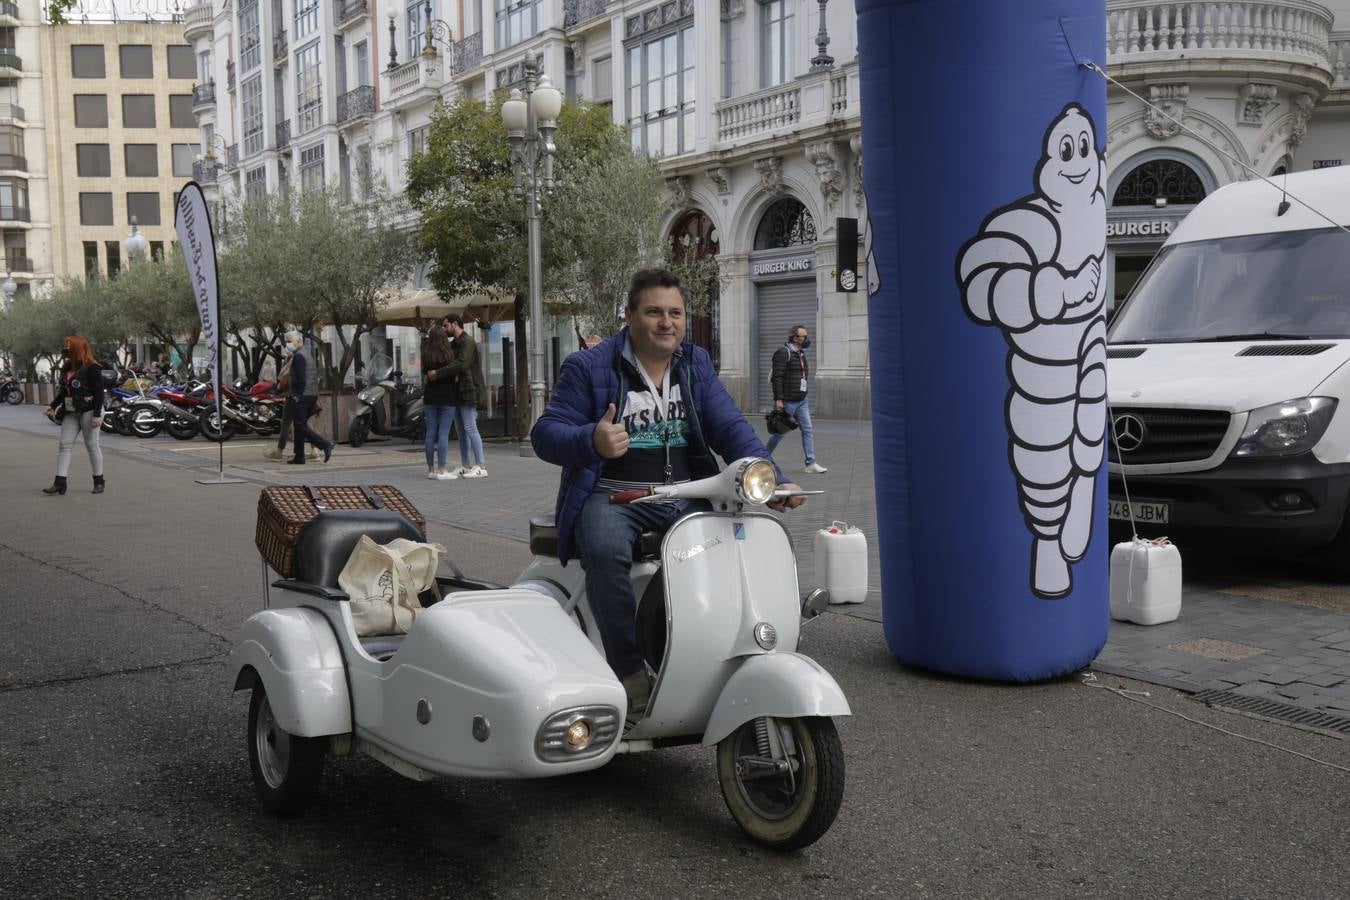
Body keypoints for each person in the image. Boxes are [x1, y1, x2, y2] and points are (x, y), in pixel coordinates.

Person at [531, 269, 805, 716]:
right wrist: (591, 440)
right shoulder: (589, 366)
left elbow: (731, 428)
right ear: (630, 315)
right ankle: (629, 671)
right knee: (602, 547)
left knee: (732, 541)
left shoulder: (693, 363)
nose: (667, 322)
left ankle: (704, 653)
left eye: (675, 313)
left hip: (685, 489)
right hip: (615, 494)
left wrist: (772, 474)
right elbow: (545, 433)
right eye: (654, 311)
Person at [42, 335, 106, 495]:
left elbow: (99, 393)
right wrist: (52, 406)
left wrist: (97, 414)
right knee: (64, 444)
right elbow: (63, 391)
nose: (65, 349)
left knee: (92, 445)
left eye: (68, 346)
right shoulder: (66, 368)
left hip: (90, 410)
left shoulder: (92, 367)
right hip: (71, 411)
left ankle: (99, 481)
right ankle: (60, 483)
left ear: (77, 348)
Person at [765, 325, 827, 474]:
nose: (806, 339)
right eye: (803, 336)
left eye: (806, 336)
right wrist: (779, 399)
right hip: (788, 401)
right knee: (779, 432)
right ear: (795, 338)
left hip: (802, 400)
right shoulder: (783, 353)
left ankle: (810, 463)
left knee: (807, 430)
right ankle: (762, 459)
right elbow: (777, 377)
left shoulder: (800, 353)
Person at [435, 314, 487, 479]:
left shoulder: (467, 342)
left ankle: (481, 466)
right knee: (461, 430)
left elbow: (462, 364)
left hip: (469, 390)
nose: (444, 329)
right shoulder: (455, 344)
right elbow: (451, 363)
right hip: (458, 391)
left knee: (470, 428)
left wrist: (438, 373)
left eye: (445, 326)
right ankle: (466, 464)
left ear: (455, 324)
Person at [284, 331, 333, 465]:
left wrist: (297, 396)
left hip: (303, 395)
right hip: (311, 394)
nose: (287, 344)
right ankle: (299, 456)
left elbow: (300, 379)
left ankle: (324, 445)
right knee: (299, 426)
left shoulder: (299, 356)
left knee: (300, 425)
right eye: (286, 342)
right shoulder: (306, 354)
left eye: (289, 341)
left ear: (298, 342)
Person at [421, 326, 457, 479]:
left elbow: (425, 375)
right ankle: (442, 469)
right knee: (443, 433)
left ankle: (431, 470)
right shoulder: (449, 355)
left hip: (430, 398)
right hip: (447, 399)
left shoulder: (427, 355)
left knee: (430, 434)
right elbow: (454, 375)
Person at [264, 353, 315, 461]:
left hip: (293, 396)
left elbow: (284, 378)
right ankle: (314, 450)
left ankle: (279, 451)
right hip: (305, 396)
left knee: (286, 424)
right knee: (305, 423)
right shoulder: (307, 359)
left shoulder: (293, 360)